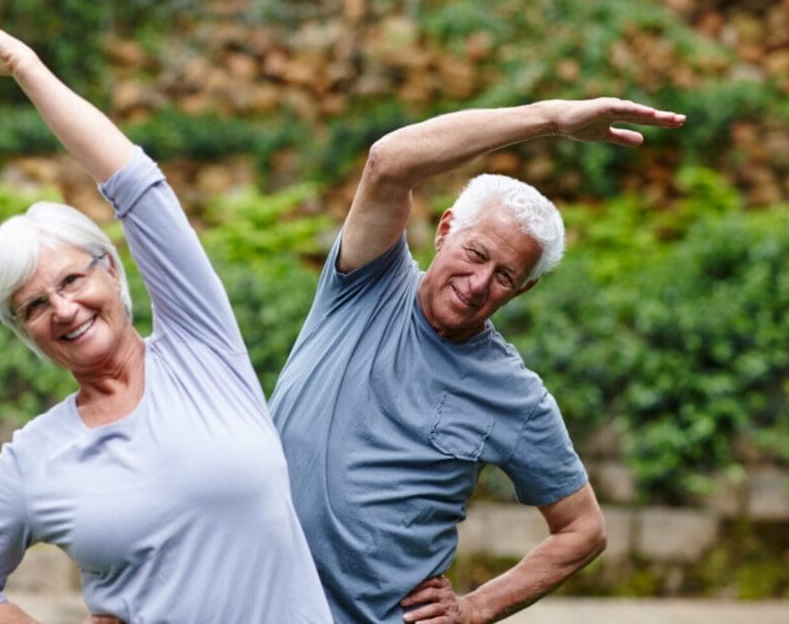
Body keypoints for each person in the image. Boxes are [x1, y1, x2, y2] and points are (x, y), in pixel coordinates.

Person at [0, 0, 333, 624]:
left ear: (111, 271)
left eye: (71, 280)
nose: (62, 308)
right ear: (26, 333)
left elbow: (138, 187)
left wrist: (29, 70)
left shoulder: (202, 349)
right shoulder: (35, 459)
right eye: (33, 305)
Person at [269, 98, 685, 623]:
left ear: (523, 289)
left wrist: (473, 609)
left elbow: (584, 530)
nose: (479, 284)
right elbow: (387, 161)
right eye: (476, 253)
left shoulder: (515, 394)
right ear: (445, 232)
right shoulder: (367, 281)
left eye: (506, 276)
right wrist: (552, 119)